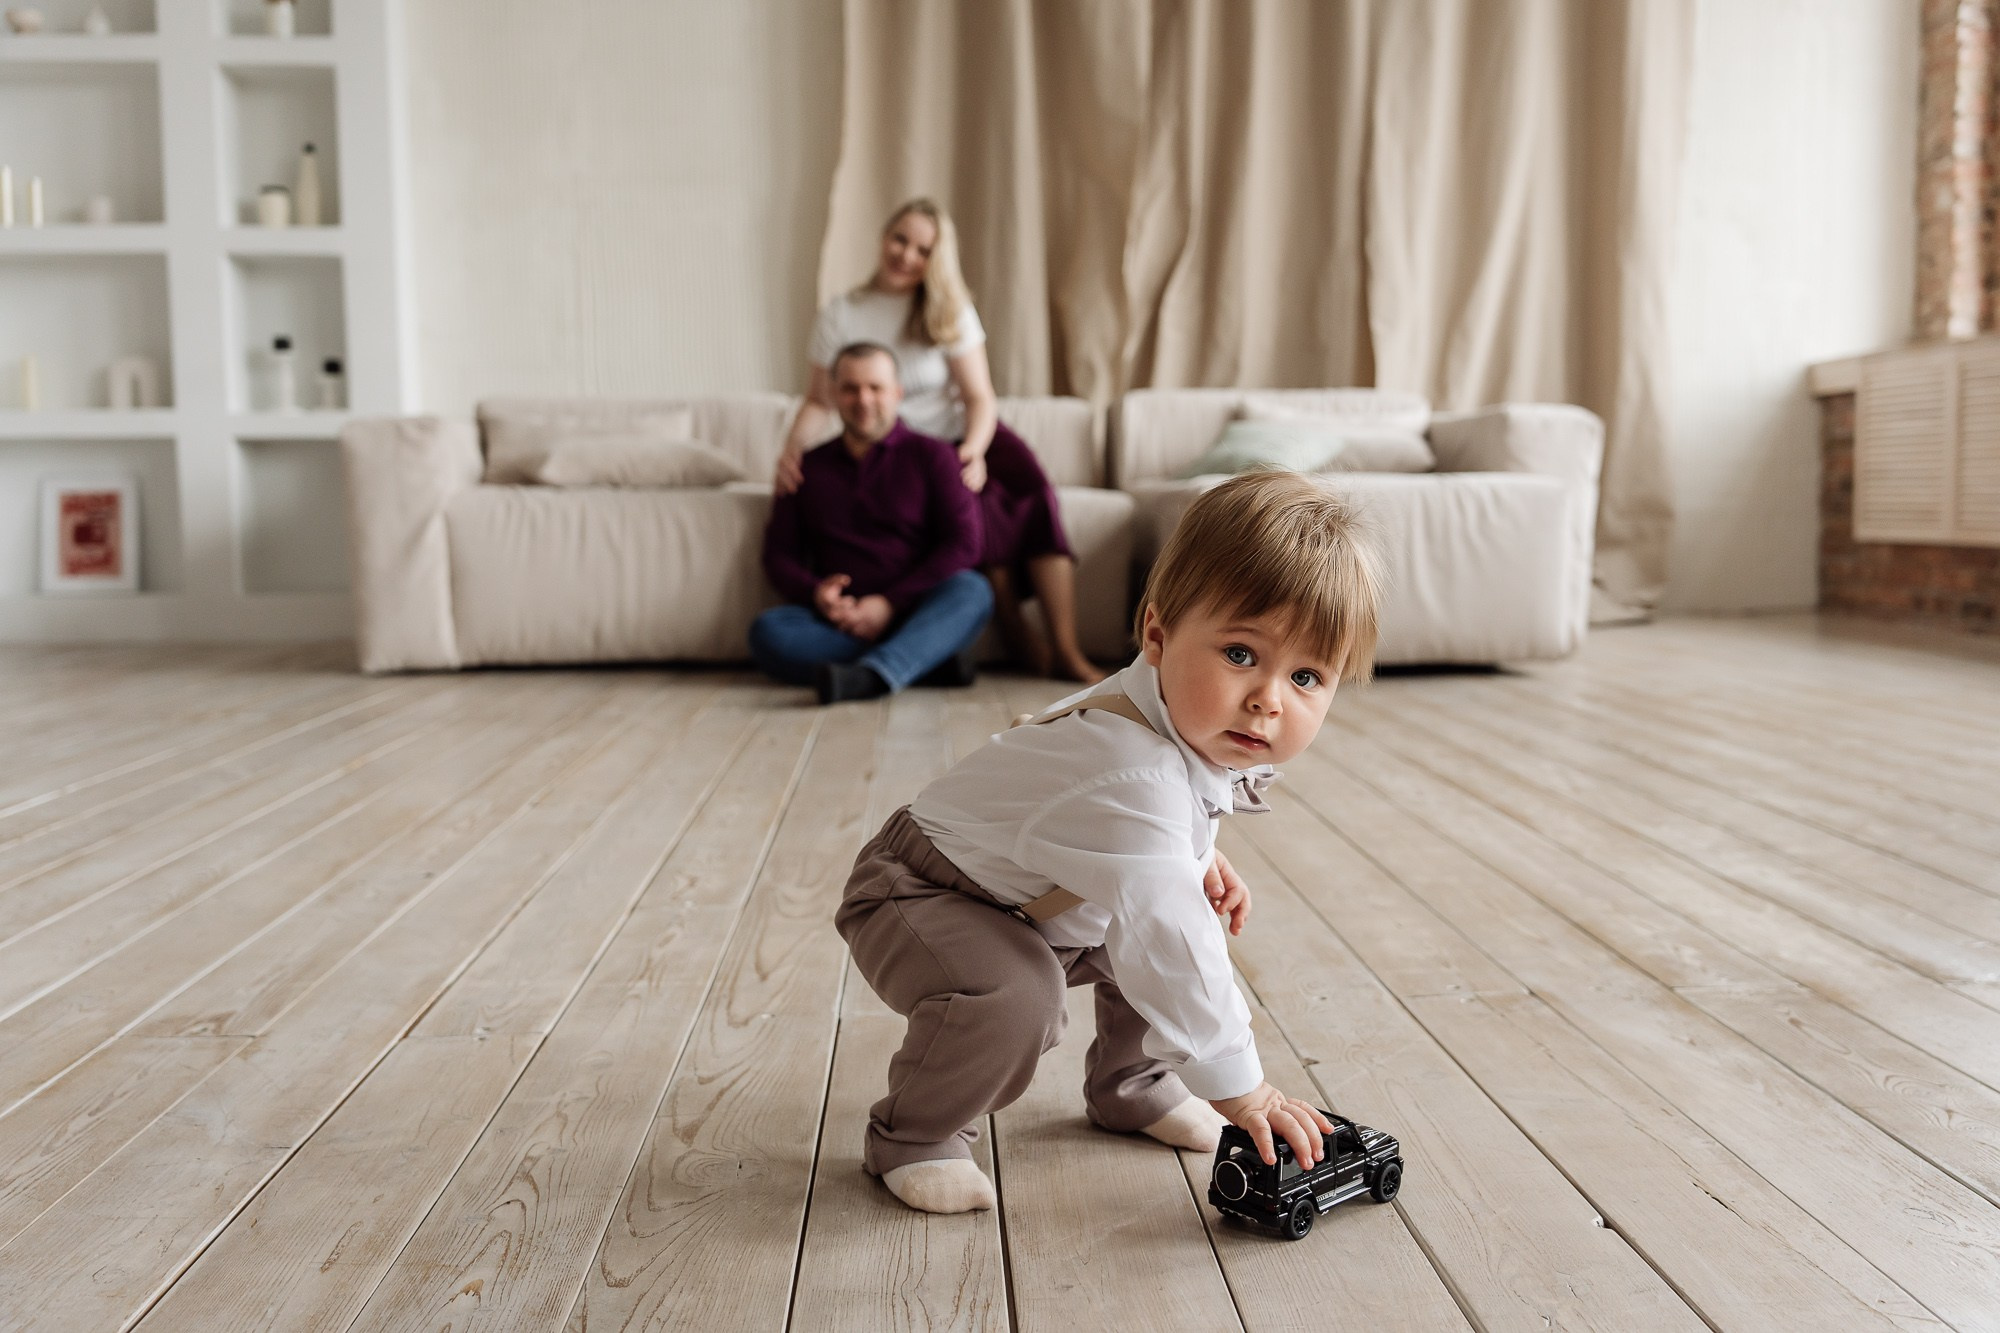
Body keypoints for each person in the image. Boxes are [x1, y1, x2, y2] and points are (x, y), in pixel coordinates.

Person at [833, 470, 1383, 1213]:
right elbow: (1161, 909)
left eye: (1309, 675)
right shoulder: (1130, 766)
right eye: (1242, 655)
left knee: (1172, 913)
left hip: (1023, 898)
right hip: (919, 893)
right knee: (1024, 992)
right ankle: (912, 1135)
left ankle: (1131, 1085)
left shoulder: (1177, 728)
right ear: (1157, 634)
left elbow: (1135, 831)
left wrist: (1198, 854)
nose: (1268, 698)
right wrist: (1245, 1087)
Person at [775, 197, 1105, 685]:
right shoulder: (842, 314)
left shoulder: (949, 311)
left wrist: (971, 450)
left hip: (962, 439)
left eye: (923, 249)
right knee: (970, 545)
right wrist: (790, 451)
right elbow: (820, 402)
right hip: (897, 453)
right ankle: (986, 648)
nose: (907, 255)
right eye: (900, 239)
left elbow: (978, 396)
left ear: (937, 259)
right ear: (883, 238)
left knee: (1033, 505)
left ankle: (1067, 648)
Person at [752, 342, 994, 706]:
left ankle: (869, 676)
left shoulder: (934, 456)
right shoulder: (805, 468)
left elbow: (965, 544)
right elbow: (778, 556)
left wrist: (888, 604)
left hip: (917, 608)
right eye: (850, 388)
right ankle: (918, 663)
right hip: (840, 621)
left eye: (875, 388)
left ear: (897, 393)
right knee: (768, 632)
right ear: (834, 396)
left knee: (973, 591)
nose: (863, 399)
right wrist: (816, 593)